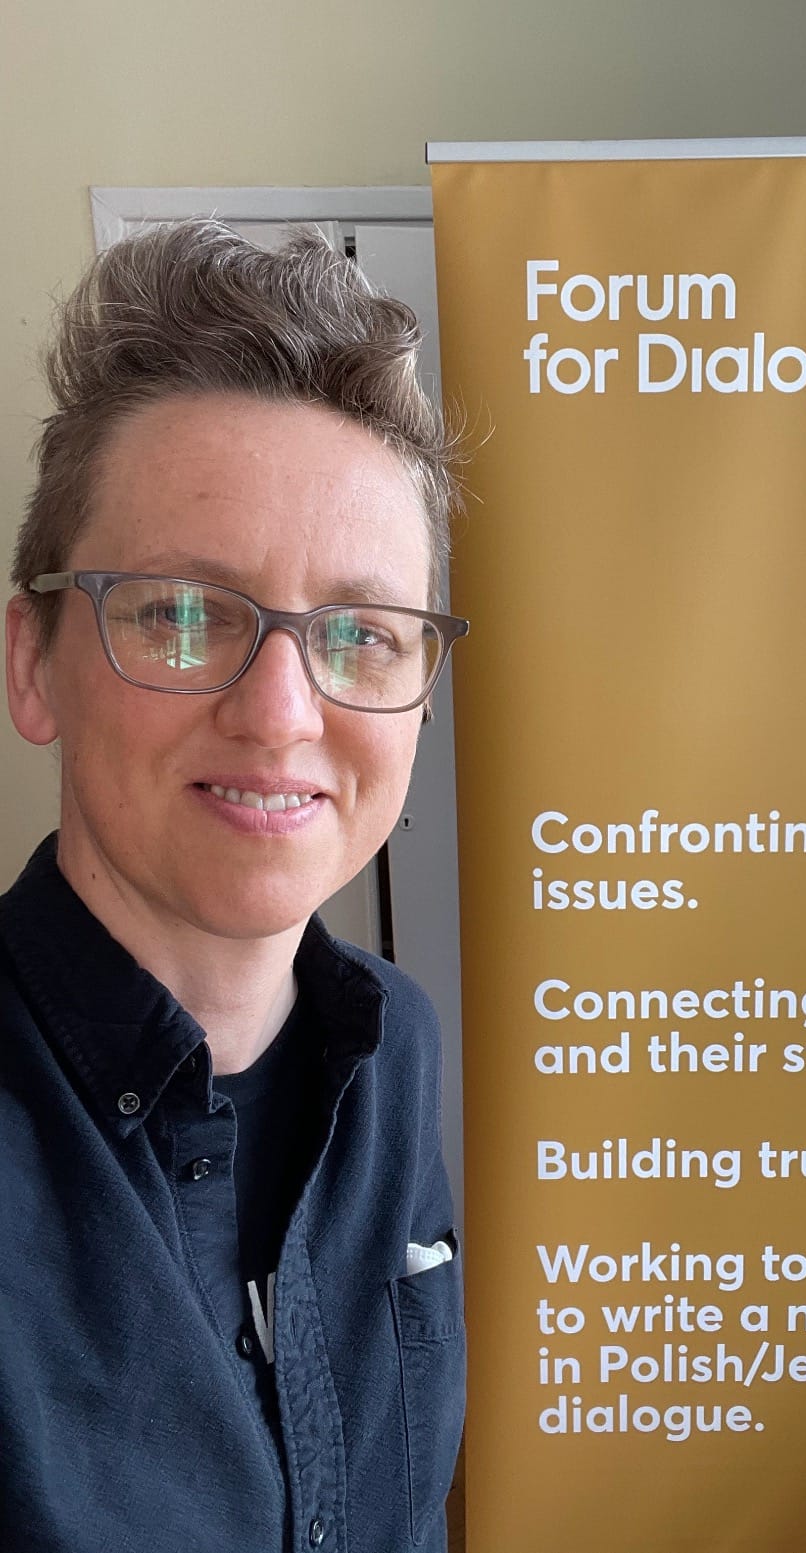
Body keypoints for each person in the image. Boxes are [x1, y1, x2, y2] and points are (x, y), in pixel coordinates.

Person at [0, 221, 467, 1552]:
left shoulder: (392, 1049)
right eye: (179, 615)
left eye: (359, 636)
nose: (280, 714)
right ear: (33, 662)